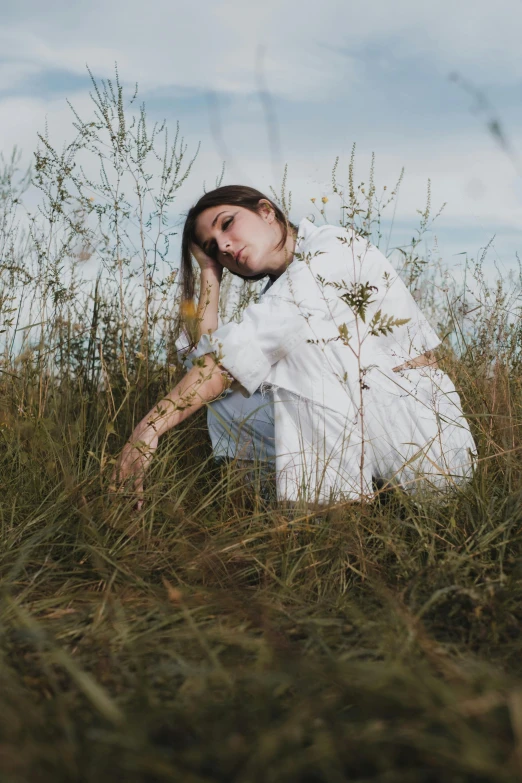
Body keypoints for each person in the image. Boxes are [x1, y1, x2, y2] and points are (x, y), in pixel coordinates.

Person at [113, 185, 476, 508]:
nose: (223, 245)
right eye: (213, 247)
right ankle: (260, 505)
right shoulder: (277, 289)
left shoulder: (331, 248)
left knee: (293, 356)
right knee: (225, 398)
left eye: (227, 224)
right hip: (373, 436)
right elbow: (203, 358)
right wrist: (209, 271)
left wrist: (147, 430)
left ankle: (331, 520)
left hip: (426, 447)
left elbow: (225, 362)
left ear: (266, 211)